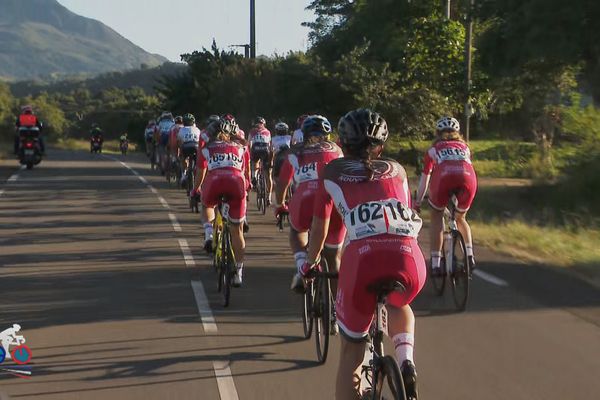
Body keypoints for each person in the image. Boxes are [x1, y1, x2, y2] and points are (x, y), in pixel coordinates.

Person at [303, 109, 425, 400]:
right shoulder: (397, 169)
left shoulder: (331, 172)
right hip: (409, 257)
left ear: (342, 145)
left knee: (351, 351)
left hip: (363, 261)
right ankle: (406, 360)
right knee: (398, 302)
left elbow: (319, 227)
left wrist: (310, 264)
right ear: (381, 146)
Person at [274, 115, 345, 292]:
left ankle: (301, 267)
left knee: (297, 232)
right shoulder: (337, 150)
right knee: (334, 256)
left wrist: (280, 204)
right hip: (333, 199)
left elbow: (283, 182)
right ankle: (338, 311)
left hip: (305, 197)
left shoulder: (295, 152)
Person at [415, 116, 477, 274]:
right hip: (468, 179)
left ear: (437, 133)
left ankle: (436, 264)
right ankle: (470, 256)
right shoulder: (465, 148)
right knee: (461, 218)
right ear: (458, 133)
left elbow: (425, 178)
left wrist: (418, 201)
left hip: (444, 179)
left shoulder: (433, 149)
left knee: (436, 216)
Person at [192, 118, 251, 286]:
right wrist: (247, 186)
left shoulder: (206, 148)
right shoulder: (241, 147)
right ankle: (239, 272)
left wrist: (195, 190)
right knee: (237, 231)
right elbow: (246, 172)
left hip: (215, 183)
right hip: (236, 183)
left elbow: (200, 172)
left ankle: (209, 233)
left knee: (207, 204)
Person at [248, 116, 273, 204]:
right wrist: (271, 159)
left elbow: (249, 144)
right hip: (265, 149)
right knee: (268, 174)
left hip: (255, 148)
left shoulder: (252, 131)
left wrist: (250, 155)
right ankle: (269, 197)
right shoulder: (268, 131)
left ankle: (254, 177)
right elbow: (270, 146)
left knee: (255, 163)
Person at [177, 113, 201, 186]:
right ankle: (197, 171)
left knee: (183, 158)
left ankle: (183, 175)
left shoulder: (181, 129)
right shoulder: (197, 129)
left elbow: (179, 142)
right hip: (196, 147)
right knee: (198, 162)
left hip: (186, 147)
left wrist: (180, 152)